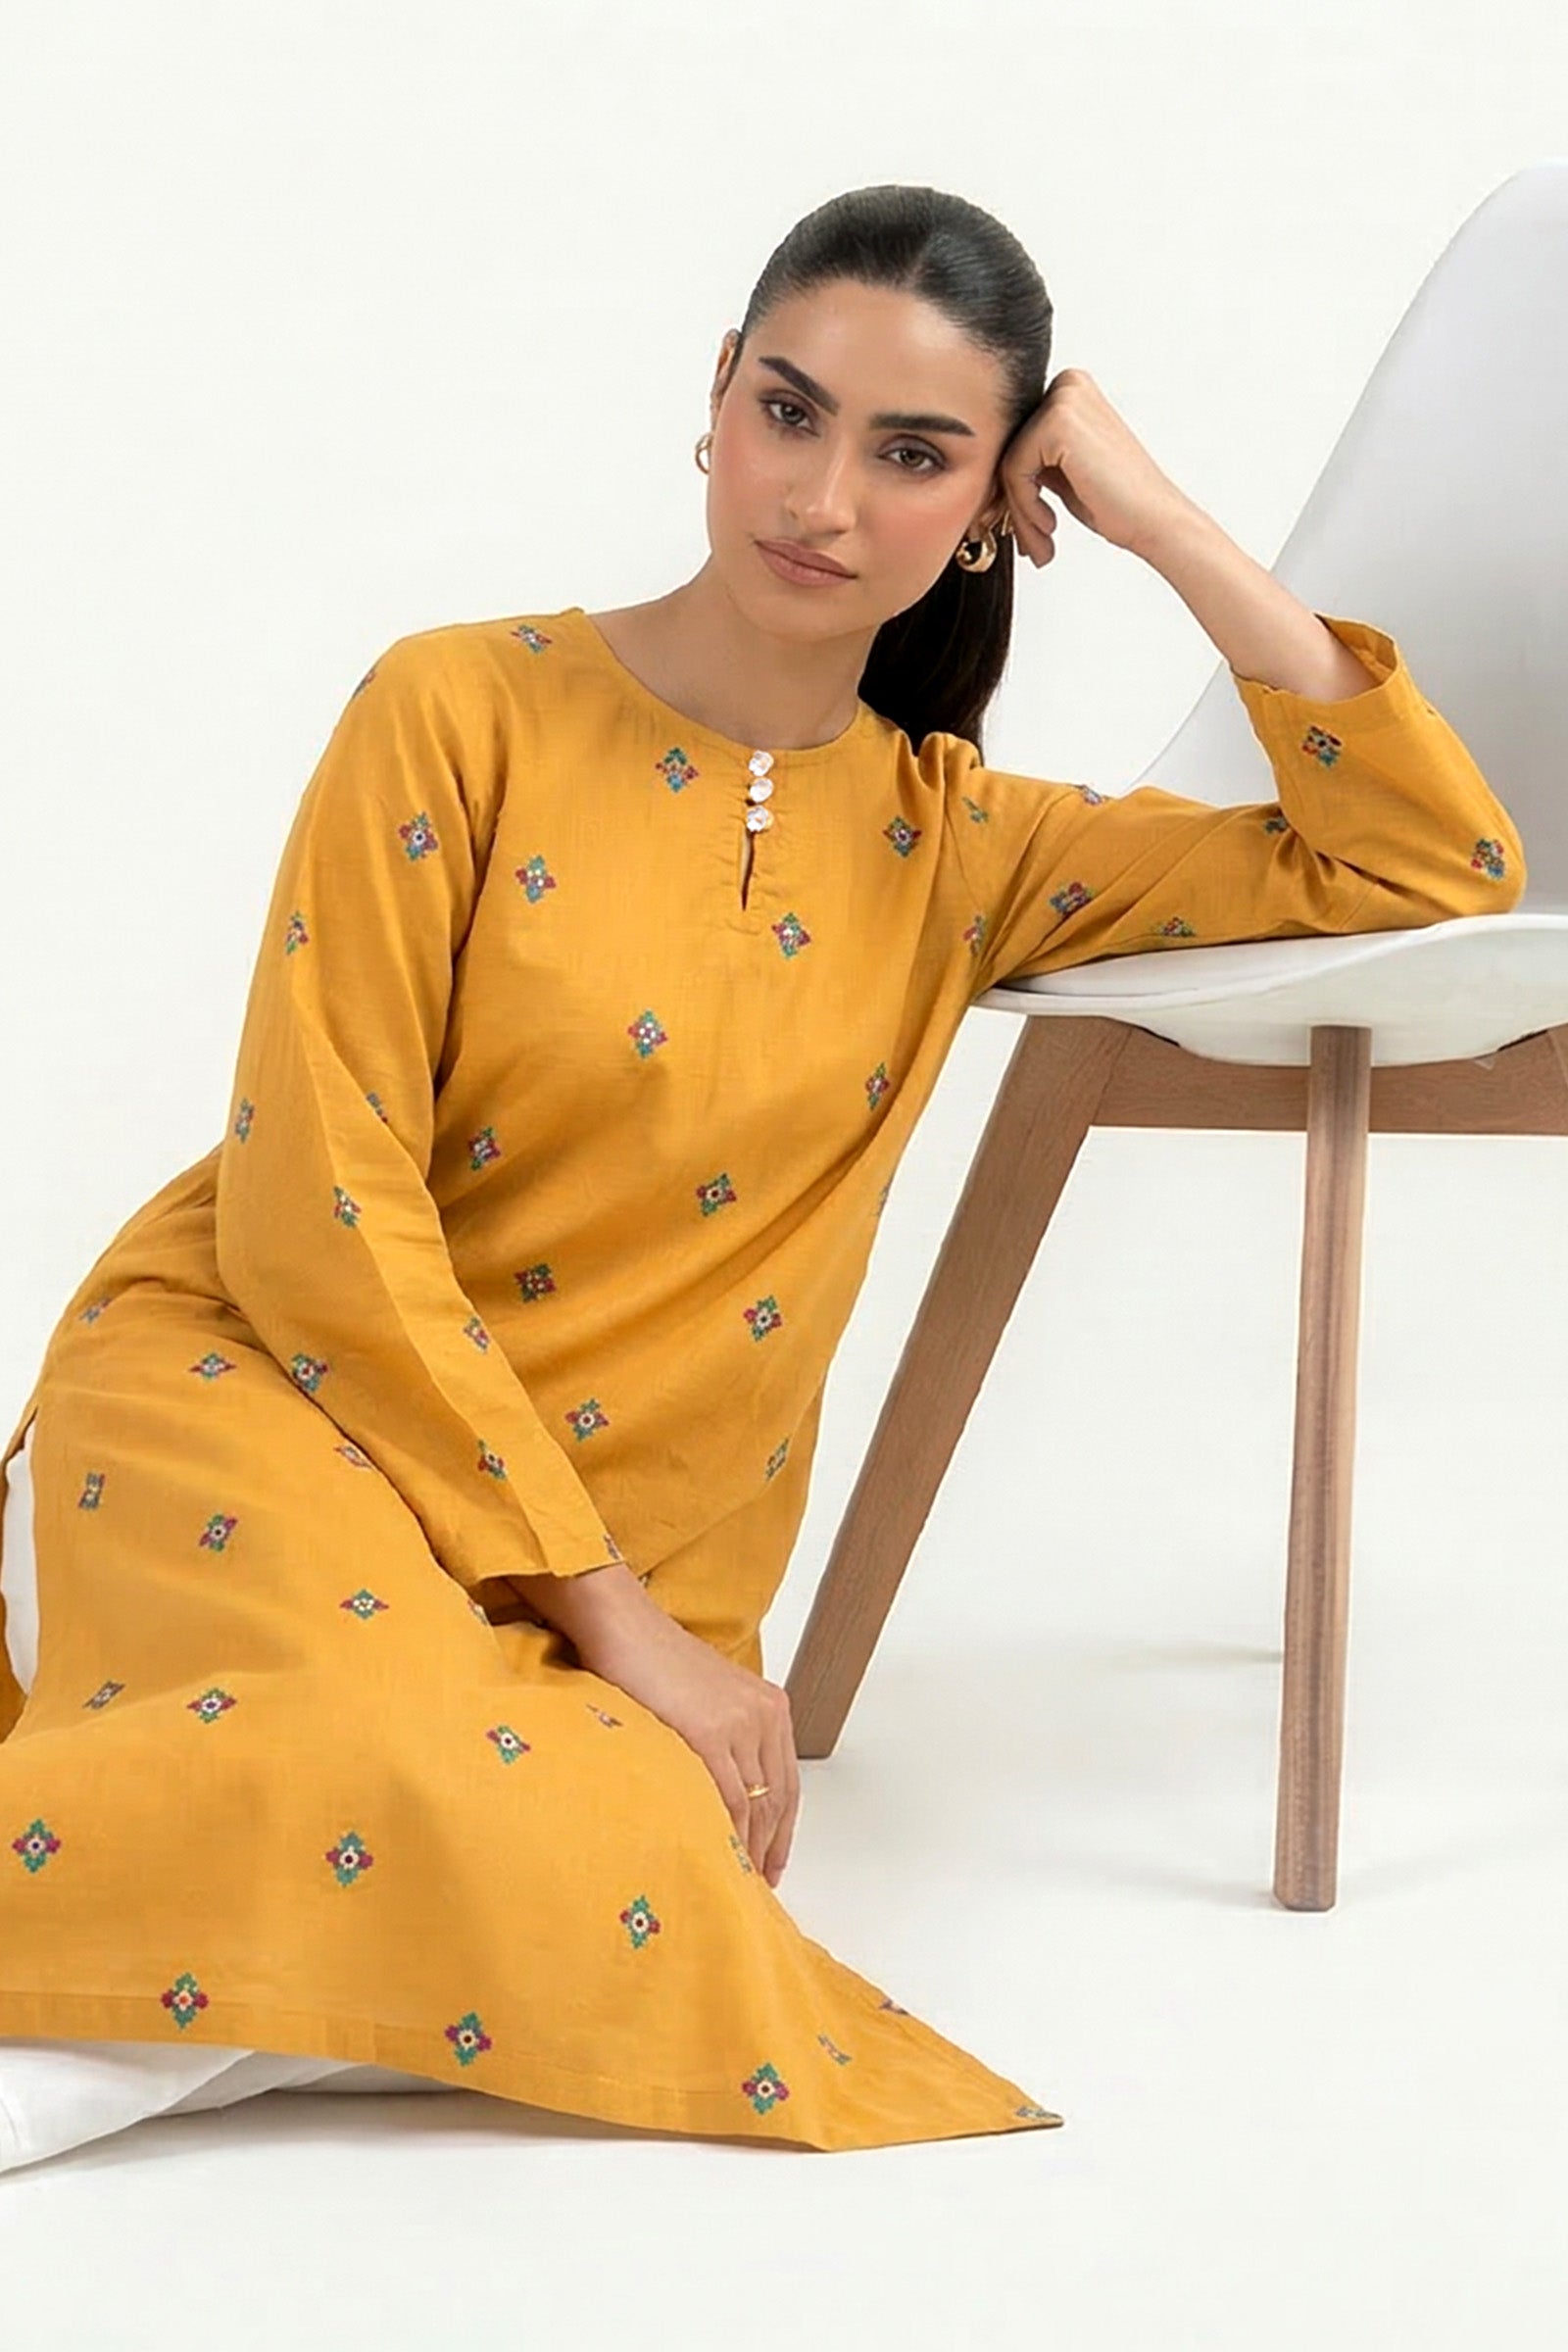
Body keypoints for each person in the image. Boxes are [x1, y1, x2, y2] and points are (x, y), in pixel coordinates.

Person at [0, 181, 1525, 2176]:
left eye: (913, 454)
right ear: (715, 396)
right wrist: (625, 1634)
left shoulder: (967, 850)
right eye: (788, 412)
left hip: (637, 1517)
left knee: (618, 1844)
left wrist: (1161, 523)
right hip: (267, 1395)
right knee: (380, 1762)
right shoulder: (450, 708)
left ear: (990, 506)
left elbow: (1429, 864)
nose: (819, 496)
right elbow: (321, 1204)